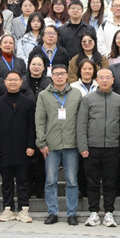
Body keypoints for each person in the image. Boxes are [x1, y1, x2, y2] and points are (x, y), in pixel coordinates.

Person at [36, 64, 83, 226]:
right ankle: (52, 212)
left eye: (62, 73)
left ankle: (72, 213)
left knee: (72, 180)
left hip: (72, 143)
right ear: (52, 76)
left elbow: (81, 120)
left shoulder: (76, 94)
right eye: (56, 74)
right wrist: (41, 143)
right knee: (50, 181)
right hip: (51, 144)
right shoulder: (44, 95)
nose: (59, 77)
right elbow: (40, 121)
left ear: (67, 75)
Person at [76, 69, 120, 228]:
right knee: (92, 182)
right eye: (101, 78)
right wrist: (83, 146)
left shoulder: (119, 100)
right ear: (96, 80)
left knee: (110, 182)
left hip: (112, 147)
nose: (104, 80)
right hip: (92, 147)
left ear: (112, 80)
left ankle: (109, 212)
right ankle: (94, 212)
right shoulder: (87, 99)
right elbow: (81, 124)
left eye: (107, 78)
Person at [0, 71, 36, 223]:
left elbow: (32, 126)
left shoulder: (28, 102)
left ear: (21, 82)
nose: (13, 82)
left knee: (23, 181)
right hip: (3, 149)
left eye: (16, 80)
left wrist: (31, 145)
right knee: (7, 181)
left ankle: (23, 209)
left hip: (23, 149)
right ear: (5, 82)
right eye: (10, 80)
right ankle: (8, 208)